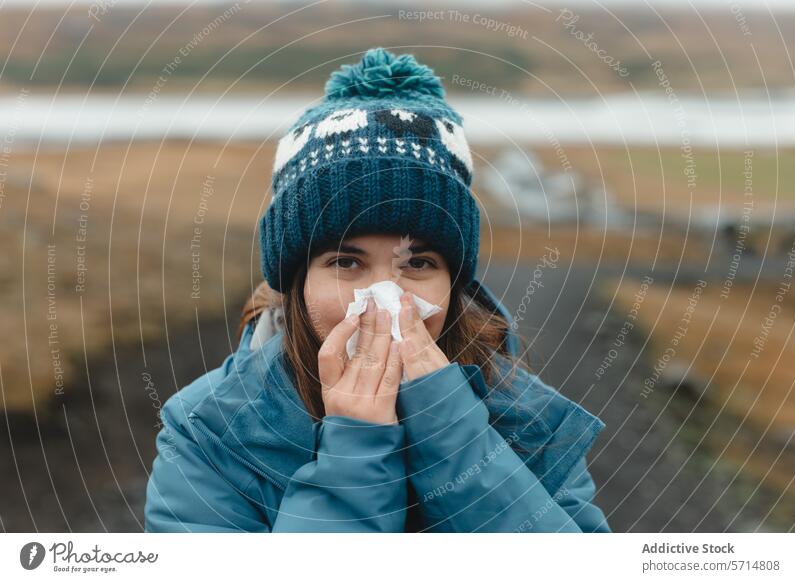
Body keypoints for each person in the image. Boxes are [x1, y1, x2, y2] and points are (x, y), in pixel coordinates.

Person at [144, 47, 610, 533]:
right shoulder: (209, 435)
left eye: (419, 263)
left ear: (453, 283)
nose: (386, 297)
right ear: (297, 283)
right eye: (346, 262)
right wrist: (356, 453)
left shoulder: (526, 418)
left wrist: (454, 434)